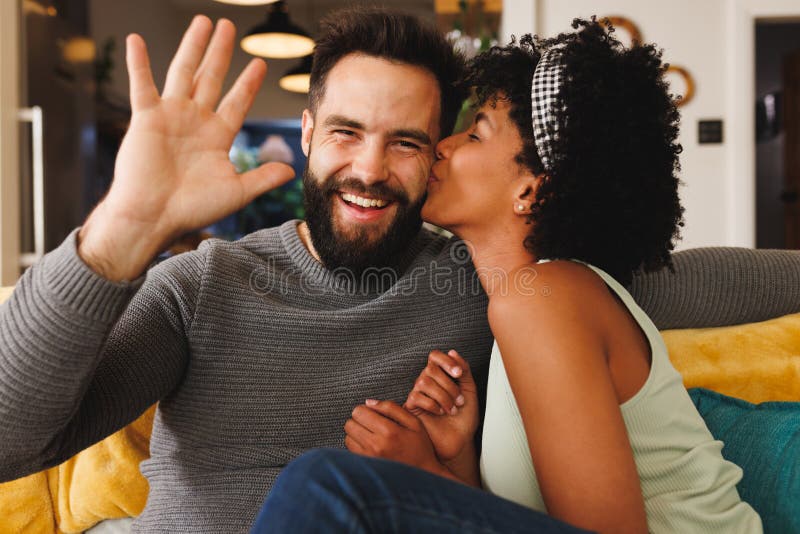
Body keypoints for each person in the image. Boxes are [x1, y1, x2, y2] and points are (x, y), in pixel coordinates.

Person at [251, 18, 763, 534]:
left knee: (324, 484)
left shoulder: (544, 297)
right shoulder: (534, 298)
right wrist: (454, 465)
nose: (443, 146)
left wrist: (423, 473)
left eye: (475, 134)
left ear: (531, 193)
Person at [0, 9, 497, 533]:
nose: (370, 170)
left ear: (438, 153)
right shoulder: (202, 286)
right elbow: (10, 446)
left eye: (405, 142)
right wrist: (121, 229)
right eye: (346, 132)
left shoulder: (475, 287)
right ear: (307, 133)